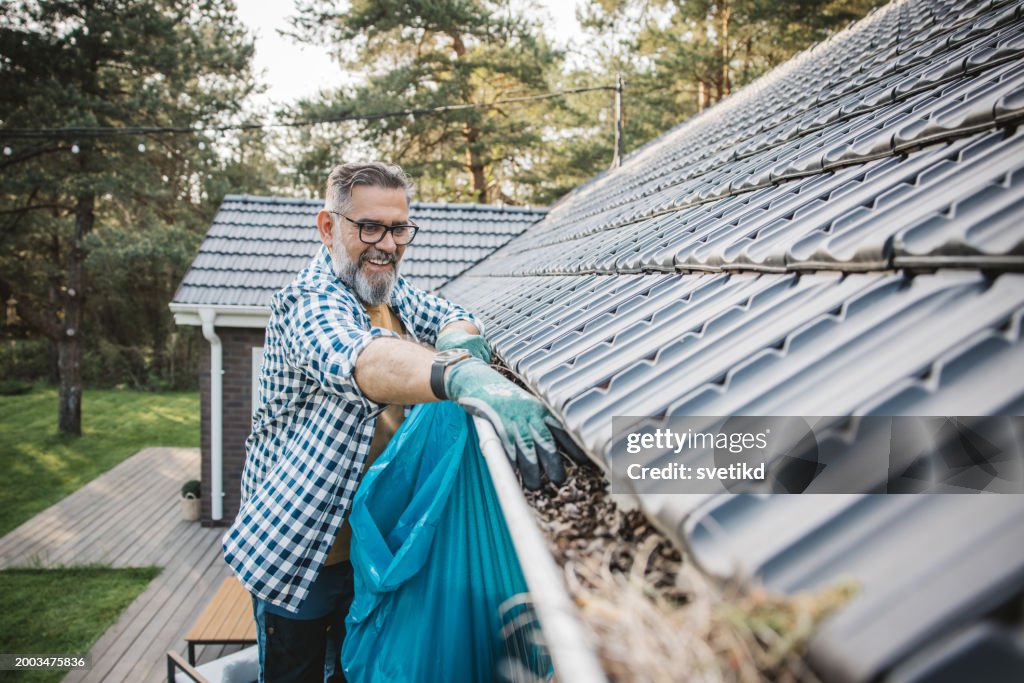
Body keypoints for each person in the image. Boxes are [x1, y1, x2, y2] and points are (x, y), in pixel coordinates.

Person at [223, 162, 575, 683]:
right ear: (328, 227)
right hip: (302, 551)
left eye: (398, 228)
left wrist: (457, 336)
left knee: (360, 669)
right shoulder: (309, 302)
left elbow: (451, 311)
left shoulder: (386, 289)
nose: (386, 244)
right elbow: (363, 361)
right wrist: (466, 378)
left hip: (372, 545)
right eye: (369, 227)